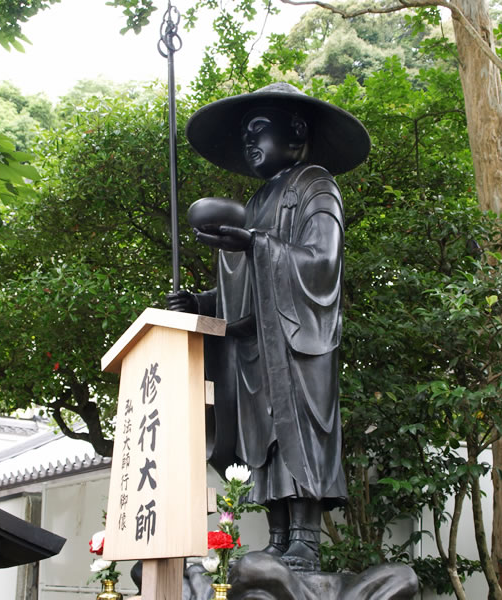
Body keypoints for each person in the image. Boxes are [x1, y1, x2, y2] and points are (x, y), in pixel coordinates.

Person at [168, 83, 369, 572]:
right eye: (244, 135)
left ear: (296, 129)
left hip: (301, 340)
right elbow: (244, 289)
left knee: (299, 429)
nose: (248, 141)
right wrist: (200, 301)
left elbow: (322, 263)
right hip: (258, 344)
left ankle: (305, 537)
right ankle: (278, 534)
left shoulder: (316, 186)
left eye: (257, 128)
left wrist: (256, 243)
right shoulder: (258, 200)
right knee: (264, 436)